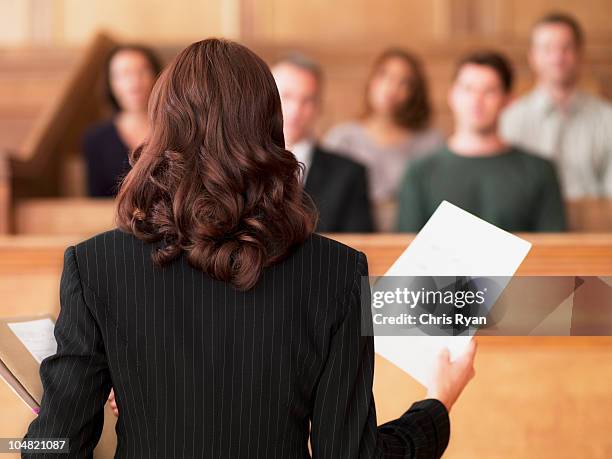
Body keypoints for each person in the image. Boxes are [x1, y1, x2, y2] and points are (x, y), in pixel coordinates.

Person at [23, 39, 476, 458]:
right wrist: (437, 404)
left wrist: (39, 433)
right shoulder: (336, 271)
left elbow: (55, 448)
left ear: (161, 129)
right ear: (270, 128)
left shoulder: (95, 264)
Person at [397, 51, 566, 233]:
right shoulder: (420, 173)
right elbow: (404, 248)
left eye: (489, 91)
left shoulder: (539, 171)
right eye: (468, 89)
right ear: (452, 95)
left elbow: (553, 250)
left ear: (508, 100)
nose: (476, 101)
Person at [324, 48, 443, 231]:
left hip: (411, 236)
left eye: (404, 83)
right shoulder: (342, 138)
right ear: (371, 81)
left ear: (414, 93)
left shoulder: (429, 142)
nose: (391, 88)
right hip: (353, 236)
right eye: (384, 75)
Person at [501, 12, 612, 198]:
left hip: (595, 221)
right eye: (547, 49)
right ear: (532, 56)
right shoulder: (509, 119)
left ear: (580, 53)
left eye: (566, 48)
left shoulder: (607, 119)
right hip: (528, 224)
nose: (557, 57)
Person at [271, 53, 374, 233]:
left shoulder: (349, 174)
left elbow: (361, 245)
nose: (296, 110)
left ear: (319, 106)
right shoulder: (242, 166)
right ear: (268, 100)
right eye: (286, 96)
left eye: (307, 100)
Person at [83, 44, 162, 197]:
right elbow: (94, 200)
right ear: (110, 83)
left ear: (157, 77)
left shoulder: (175, 130)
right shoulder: (96, 138)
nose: (135, 83)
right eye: (124, 74)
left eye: (143, 71)